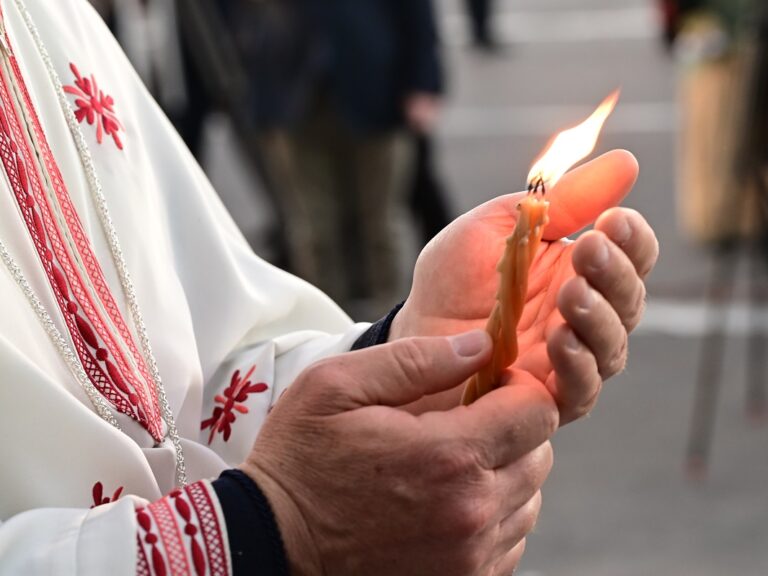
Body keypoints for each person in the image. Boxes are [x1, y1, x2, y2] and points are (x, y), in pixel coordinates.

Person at [0, 0, 659, 574]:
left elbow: (188, 365)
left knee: (371, 226)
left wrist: (402, 357)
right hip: (292, 94)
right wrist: (272, 530)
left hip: (360, 89)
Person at [242, 0, 444, 319]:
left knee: (379, 223)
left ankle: (388, 325)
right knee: (314, 229)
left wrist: (422, 81)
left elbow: (416, 10)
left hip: (376, 86)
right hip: (292, 93)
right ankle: (327, 327)